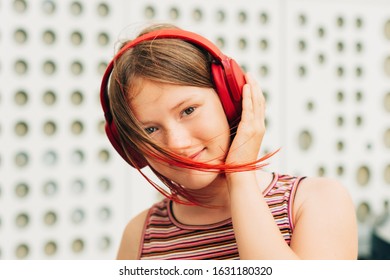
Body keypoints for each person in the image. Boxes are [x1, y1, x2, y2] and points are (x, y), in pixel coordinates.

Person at [100, 23, 358, 260]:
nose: (176, 143)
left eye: (188, 110)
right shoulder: (140, 236)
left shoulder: (316, 201)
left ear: (229, 98)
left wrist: (241, 176)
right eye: (151, 129)